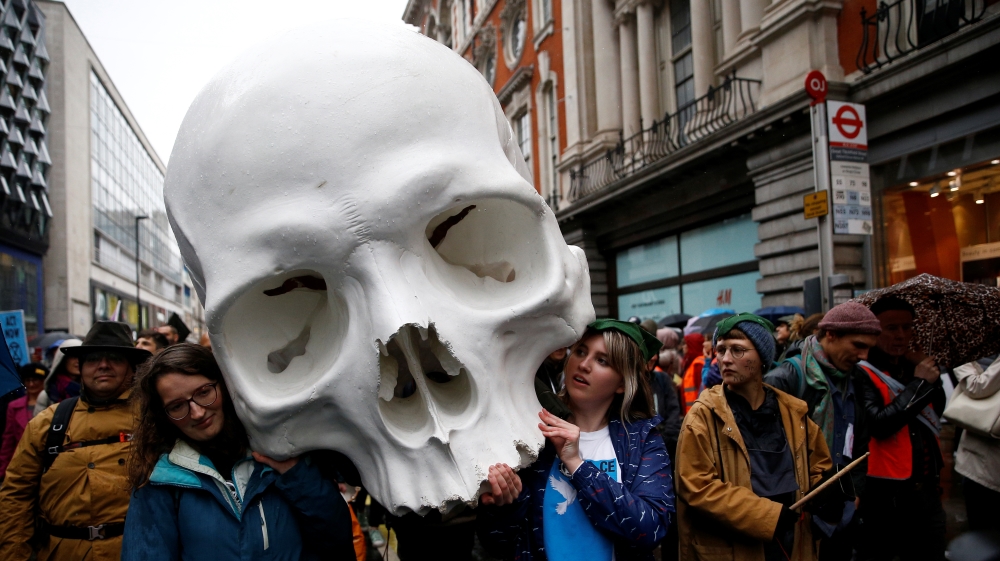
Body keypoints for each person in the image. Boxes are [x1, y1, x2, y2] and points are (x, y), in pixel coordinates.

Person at [121, 343, 355, 561]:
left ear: (225, 384)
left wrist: (298, 476)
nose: (197, 413)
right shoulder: (159, 480)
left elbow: (336, 537)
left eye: (204, 392)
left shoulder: (281, 452)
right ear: (164, 416)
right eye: (177, 406)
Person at [477, 319, 675, 561]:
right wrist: (505, 505)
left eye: (602, 360)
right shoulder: (531, 429)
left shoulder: (642, 439)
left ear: (622, 383)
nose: (583, 364)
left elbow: (650, 529)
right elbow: (496, 542)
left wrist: (577, 464)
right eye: (580, 351)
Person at [676, 313, 836, 561]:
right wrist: (767, 516)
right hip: (730, 550)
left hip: (790, 544)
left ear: (762, 358)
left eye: (738, 350)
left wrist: (825, 493)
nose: (725, 359)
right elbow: (696, 487)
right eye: (721, 350)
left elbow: (818, 468)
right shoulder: (703, 416)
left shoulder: (794, 413)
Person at [0, 321, 150, 561]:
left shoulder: (154, 419)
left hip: (135, 552)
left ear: (132, 367)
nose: (103, 365)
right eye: (92, 359)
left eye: (114, 357)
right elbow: (16, 497)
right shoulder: (47, 423)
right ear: (80, 367)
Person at [764, 302, 880, 560]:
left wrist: (855, 493)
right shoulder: (786, 378)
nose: (864, 356)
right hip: (798, 516)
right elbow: (765, 456)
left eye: (869, 348)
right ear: (831, 335)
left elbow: (860, 444)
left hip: (841, 513)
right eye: (858, 345)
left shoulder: (857, 379)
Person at [857, 297, 946, 561]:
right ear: (874, 331)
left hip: (927, 490)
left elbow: (936, 410)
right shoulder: (862, 372)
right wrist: (920, 383)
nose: (901, 335)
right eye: (892, 328)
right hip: (888, 498)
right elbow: (880, 424)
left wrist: (930, 376)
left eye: (907, 328)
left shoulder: (911, 367)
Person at [953, 354, 1000, 532]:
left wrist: (960, 359)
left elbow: (977, 386)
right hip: (986, 464)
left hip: (987, 467)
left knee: (984, 539)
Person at [0, 363, 47, 478]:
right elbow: (8, 439)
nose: (31, 384)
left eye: (35, 380)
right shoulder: (14, 406)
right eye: (28, 380)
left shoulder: (55, 403)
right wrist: (2, 471)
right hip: (24, 464)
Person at [32, 339, 82, 416]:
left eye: (81, 356)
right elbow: (38, 426)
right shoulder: (48, 395)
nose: (78, 361)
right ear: (62, 359)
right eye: (73, 356)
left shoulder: (94, 391)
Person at [680, 333, 706, 413]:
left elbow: (702, 392)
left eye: (686, 344)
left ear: (692, 346)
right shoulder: (691, 363)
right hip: (693, 414)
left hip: (697, 415)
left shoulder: (698, 365)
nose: (683, 347)